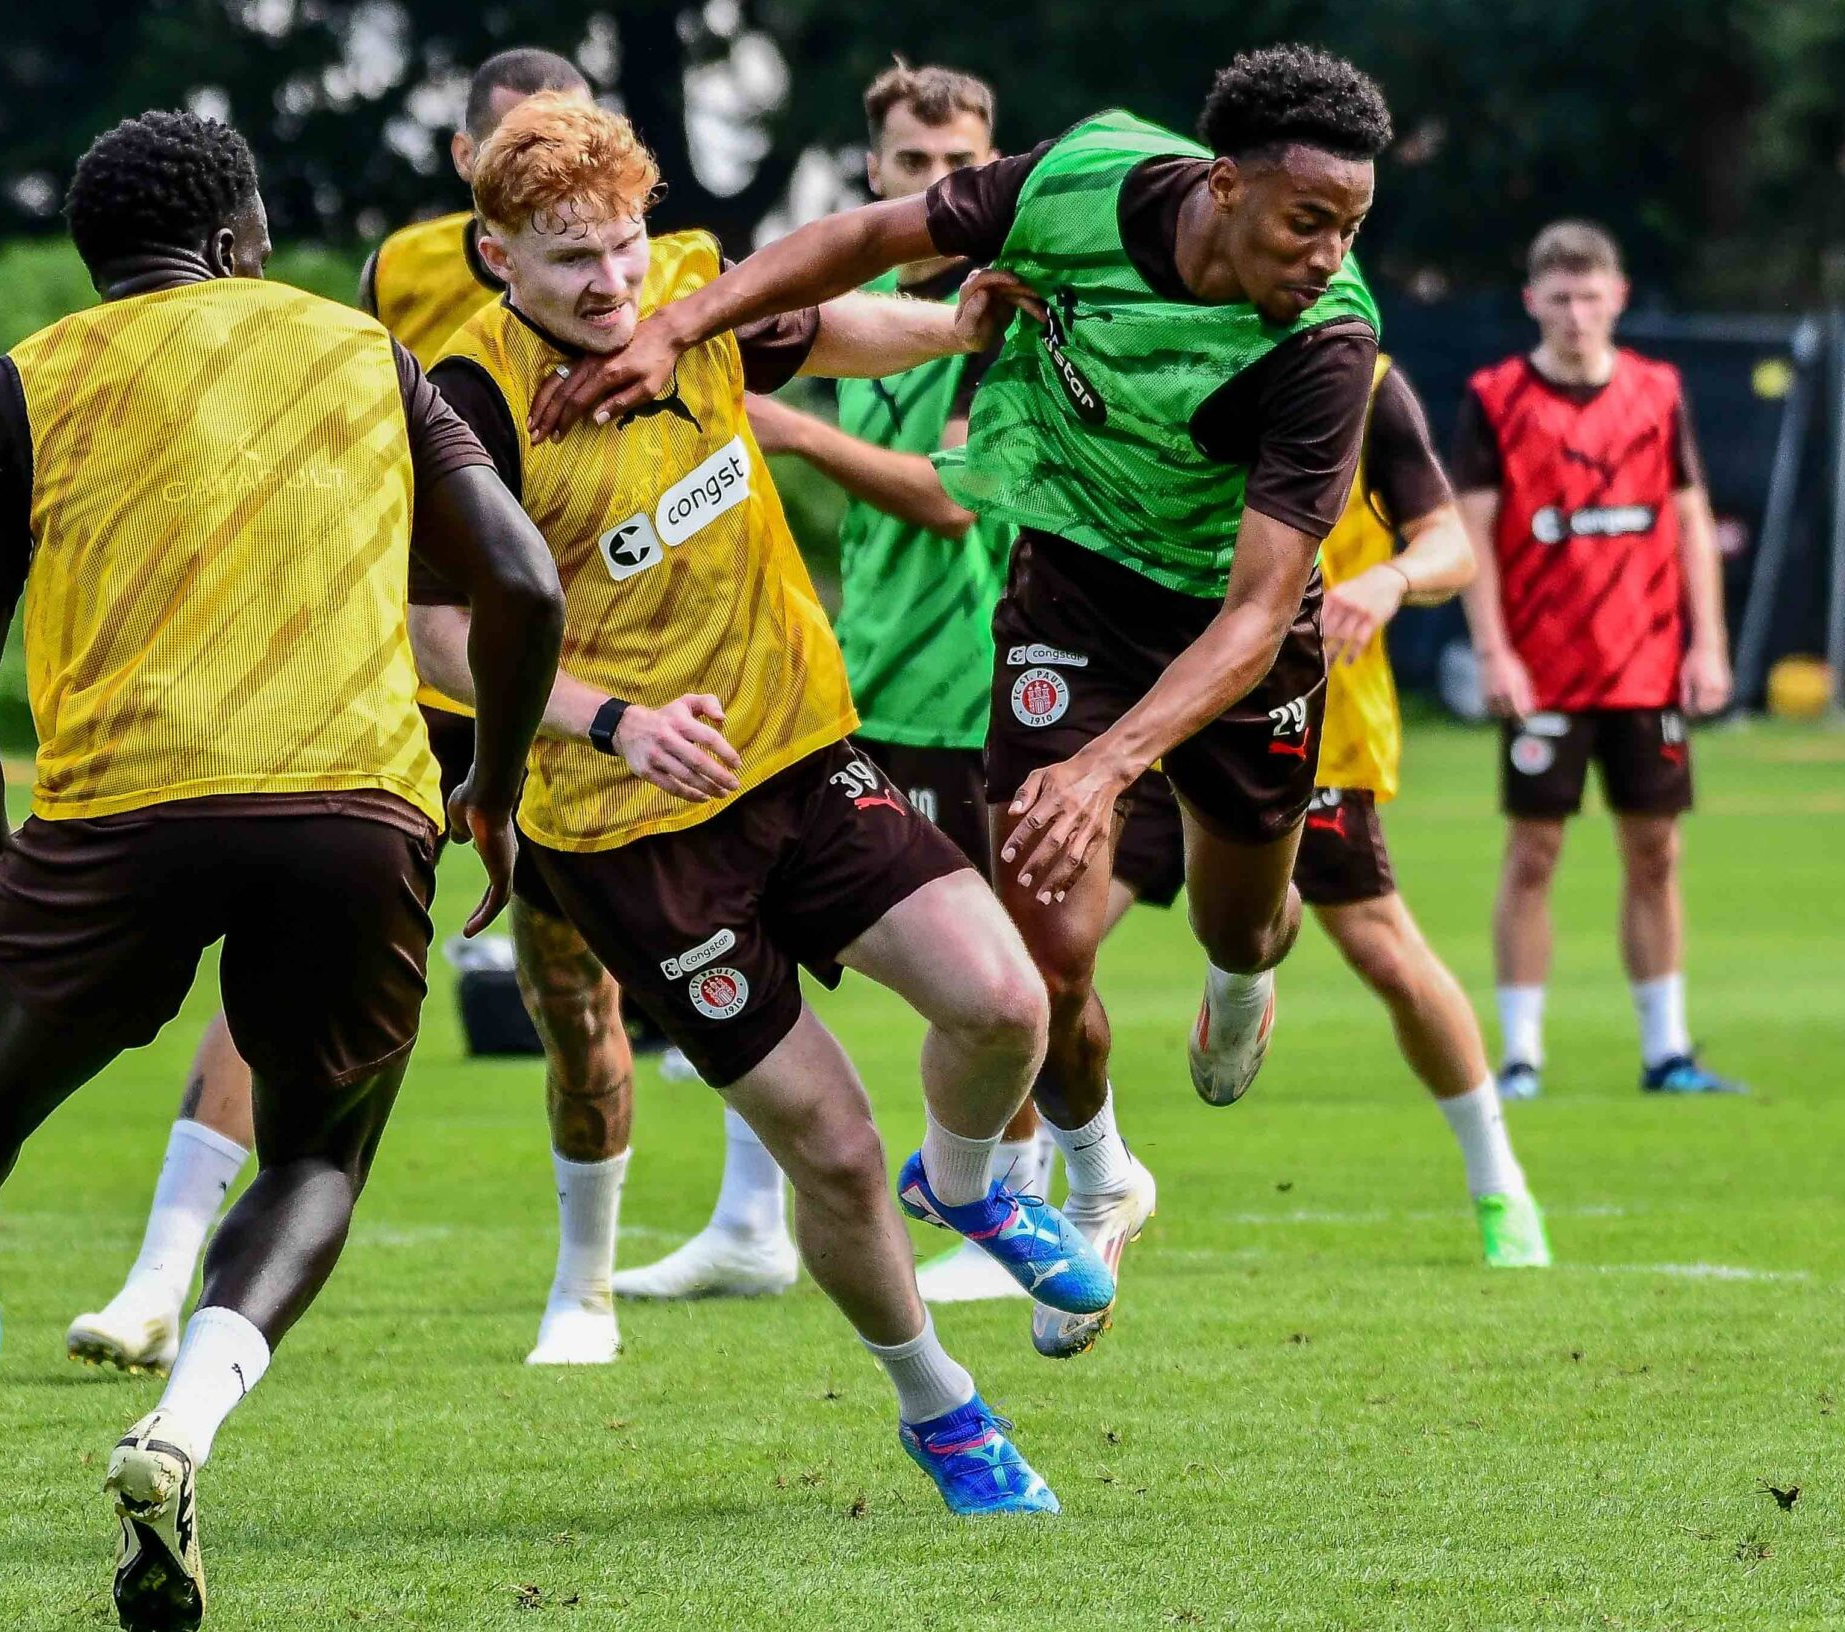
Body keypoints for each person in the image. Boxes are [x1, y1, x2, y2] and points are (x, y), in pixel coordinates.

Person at [0, 109, 562, 1632]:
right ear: (236, 241)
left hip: (113, 817)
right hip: (352, 805)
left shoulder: (20, 382)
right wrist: (493, 784)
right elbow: (525, 581)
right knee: (317, 1153)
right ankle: (181, 1426)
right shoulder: (364, 353)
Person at [533, 44, 1393, 1359]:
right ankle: (1100, 1175)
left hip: (1236, 639)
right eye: (1307, 221)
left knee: (1249, 912)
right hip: (1075, 598)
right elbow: (858, 238)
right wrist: (676, 321)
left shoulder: (1329, 347)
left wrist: (1107, 765)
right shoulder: (1083, 183)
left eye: (1352, 228)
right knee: (1042, 953)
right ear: (1223, 187)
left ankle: (1236, 977)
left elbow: (1259, 611)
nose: (1329, 254)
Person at [420, 91, 1105, 1510]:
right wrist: (614, 718)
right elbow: (431, 631)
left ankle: (972, 1179)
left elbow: (829, 330)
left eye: (622, 247)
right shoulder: (465, 402)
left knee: (1004, 1005)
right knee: (835, 1147)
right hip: (627, 831)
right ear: (498, 258)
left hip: (796, 750)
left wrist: (958, 325)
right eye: (569, 263)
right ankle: (942, 1405)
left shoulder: (689, 300)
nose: (610, 283)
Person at [63, 45, 600, 1377]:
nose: (538, 148)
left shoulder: (649, 262)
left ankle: (591, 1281)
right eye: (510, 132)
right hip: (381, 649)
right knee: (272, 969)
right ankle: (156, 1273)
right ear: (466, 158)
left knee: (581, 979)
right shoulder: (394, 278)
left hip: (570, 636)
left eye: (565, 127)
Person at [617, 59, 1041, 1306]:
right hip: (866, 686)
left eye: (960, 165)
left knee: (1001, 971)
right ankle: (751, 1221)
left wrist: (789, 425)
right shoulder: (861, 322)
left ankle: (1028, 1202)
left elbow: (950, 503)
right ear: (873, 174)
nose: (936, 187)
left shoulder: (995, 316)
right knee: (778, 947)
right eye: (912, 167)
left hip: (972, 689)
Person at [1454, 220, 1741, 1099]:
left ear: (1618, 297)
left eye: (1591, 296)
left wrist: (1709, 642)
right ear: (1532, 302)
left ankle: (1667, 1051)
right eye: (1560, 298)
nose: (1576, 315)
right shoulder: (1497, 397)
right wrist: (1494, 650)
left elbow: (1690, 519)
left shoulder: (1658, 392)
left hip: (1647, 662)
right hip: (1543, 668)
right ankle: (1522, 1057)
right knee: (1534, 850)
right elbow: (1473, 530)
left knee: (1656, 850)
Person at [1298, 353, 1550, 1265]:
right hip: (1158, 709)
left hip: (1313, 721)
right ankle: (1030, 1192)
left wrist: (1391, 579)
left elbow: (1452, 545)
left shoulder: (1364, 381)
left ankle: (1499, 1182)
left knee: (1381, 949)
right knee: (1052, 945)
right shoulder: (1142, 335)